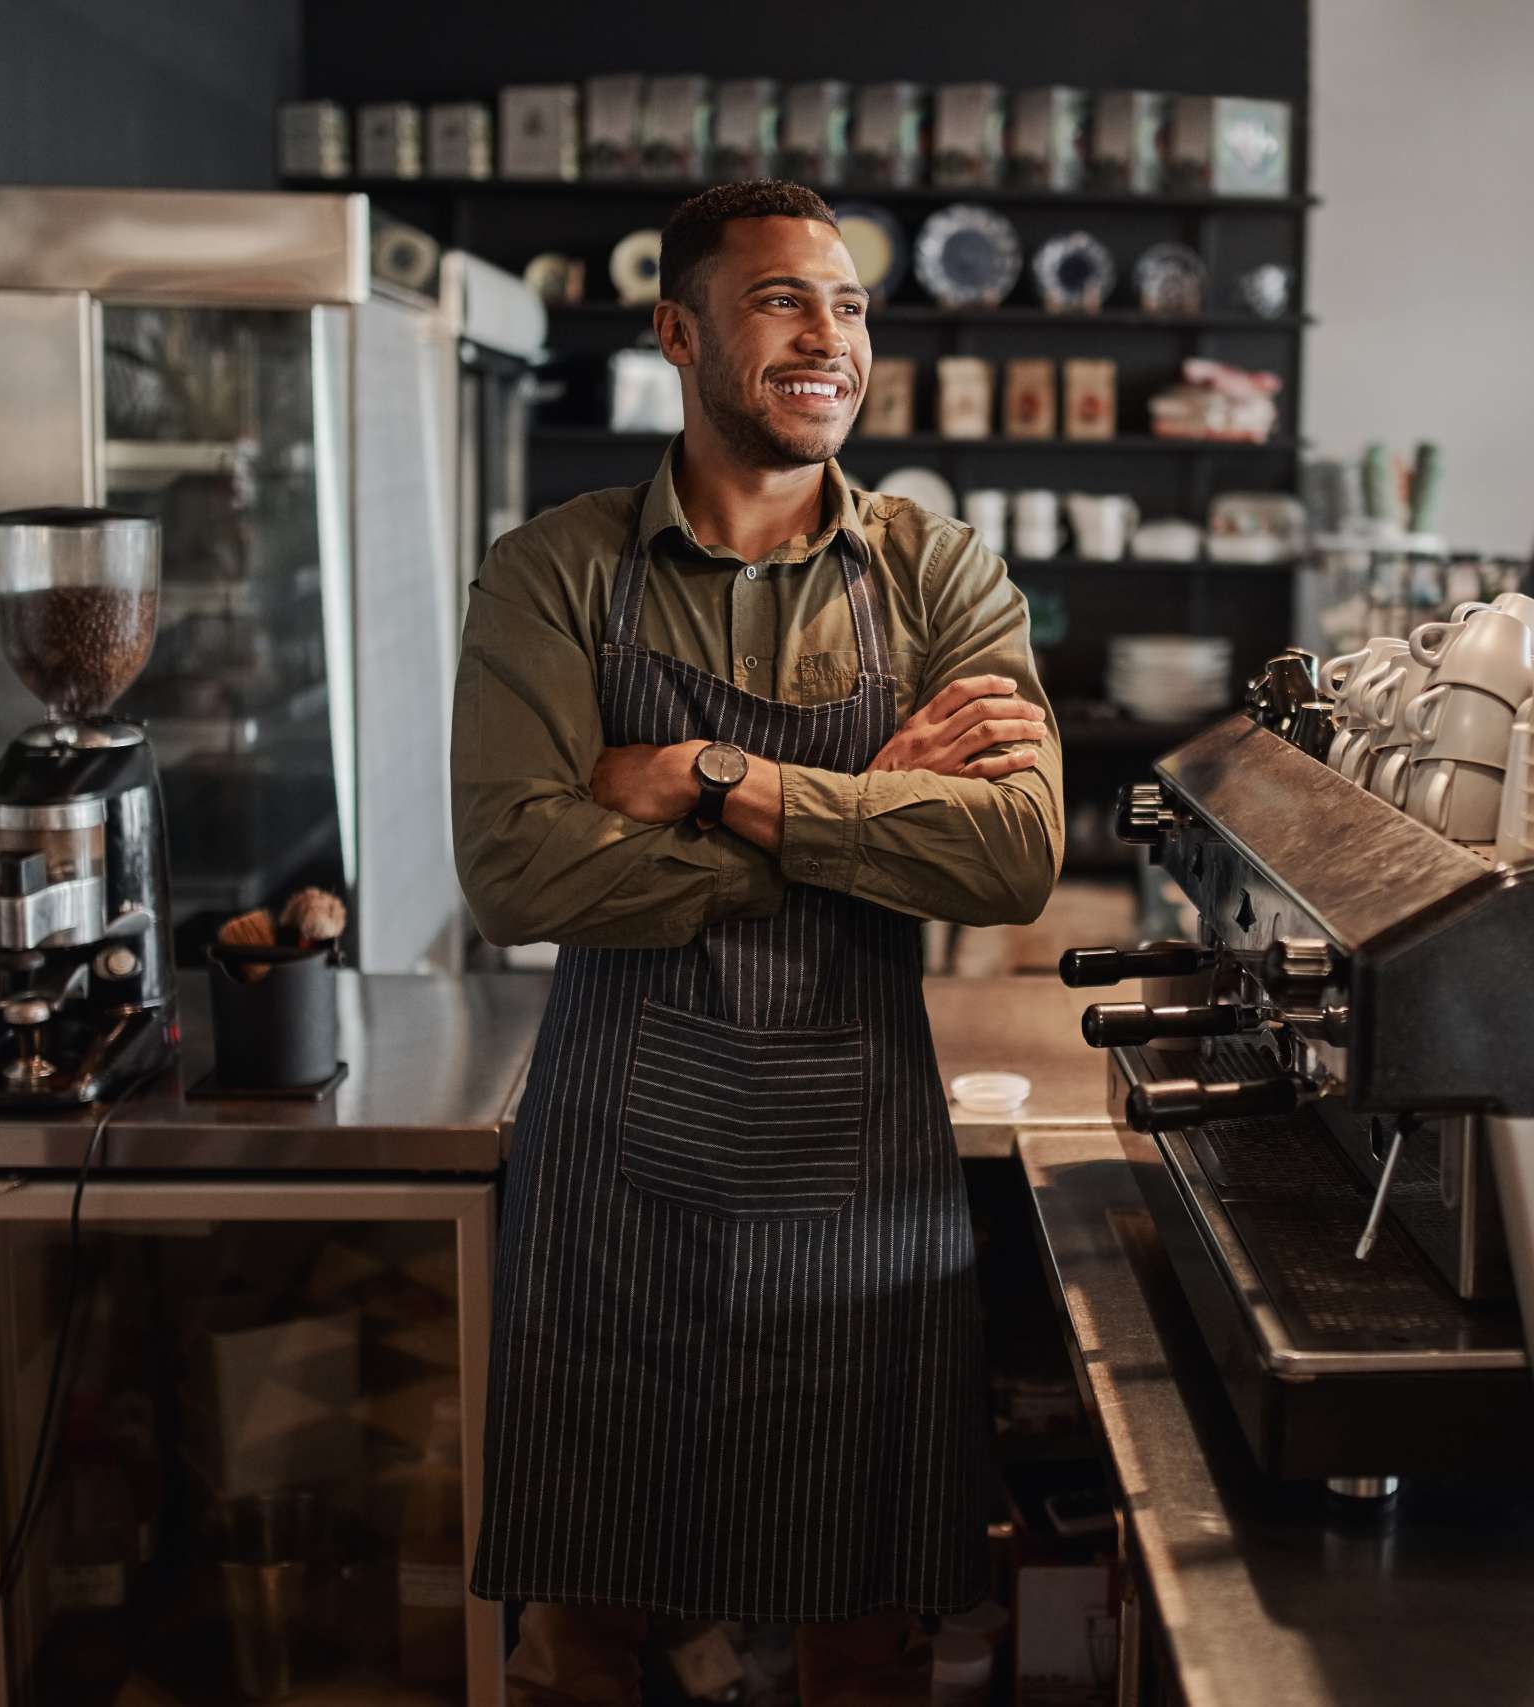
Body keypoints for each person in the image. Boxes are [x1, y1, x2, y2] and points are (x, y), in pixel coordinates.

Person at [449, 179, 1063, 1706]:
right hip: (616, 1172)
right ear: (680, 332)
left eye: (848, 304)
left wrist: (711, 782)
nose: (829, 337)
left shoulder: (941, 572)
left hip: (859, 1171)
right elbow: (516, 871)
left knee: (866, 1638)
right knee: (583, 1628)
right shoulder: (557, 570)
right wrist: (858, 825)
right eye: (784, 299)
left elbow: (1015, 854)